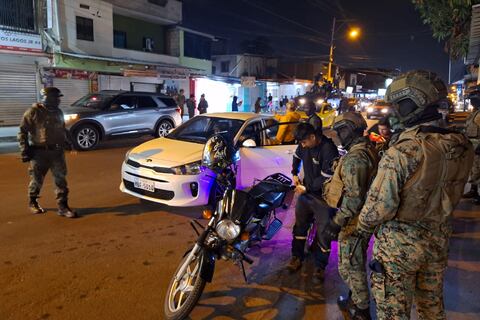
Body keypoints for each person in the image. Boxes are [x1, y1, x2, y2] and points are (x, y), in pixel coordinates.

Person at [356, 70, 473, 319]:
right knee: (431, 308)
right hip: (437, 240)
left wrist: (360, 226)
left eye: (398, 105)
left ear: (411, 105)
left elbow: (379, 208)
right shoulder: (460, 144)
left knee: (393, 312)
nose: (395, 112)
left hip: (399, 247)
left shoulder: (404, 151)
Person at [319, 112, 379, 320]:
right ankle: (356, 298)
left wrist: (335, 223)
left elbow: (354, 198)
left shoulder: (356, 157)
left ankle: (361, 310)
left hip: (354, 221)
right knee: (353, 262)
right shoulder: (364, 150)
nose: (338, 136)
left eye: (341, 131)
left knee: (350, 266)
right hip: (358, 218)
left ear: (350, 130)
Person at [288, 122, 339, 278]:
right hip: (307, 193)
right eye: (300, 143)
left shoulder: (328, 149)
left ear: (312, 136)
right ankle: (297, 256)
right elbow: (296, 157)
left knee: (324, 232)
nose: (302, 146)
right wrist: (294, 173)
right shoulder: (304, 146)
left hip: (324, 197)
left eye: (304, 142)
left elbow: (326, 178)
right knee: (300, 227)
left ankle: (320, 266)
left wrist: (307, 188)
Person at [18, 87, 77, 218]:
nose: (58, 100)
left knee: (61, 180)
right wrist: (24, 150)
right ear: (46, 97)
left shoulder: (58, 112)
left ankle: (63, 206)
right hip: (39, 153)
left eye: (58, 98)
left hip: (57, 152)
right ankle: (33, 201)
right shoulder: (33, 112)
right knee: (36, 180)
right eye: (55, 98)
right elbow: (22, 132)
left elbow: (62, 129)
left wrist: (69, 143)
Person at [463, 86, 480, 203]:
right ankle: (474, 190)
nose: (471, 102)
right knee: (474, 170)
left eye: (473, 99)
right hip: (473, 145)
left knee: (479, 171)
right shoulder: (475, 112)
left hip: (478, 146)